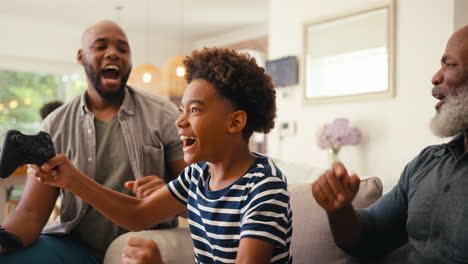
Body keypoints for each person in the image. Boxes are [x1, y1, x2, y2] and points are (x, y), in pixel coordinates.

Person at [34, 47, 292, 264]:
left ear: (235, 122)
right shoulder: (198, 175)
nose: (179, 122)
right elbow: (139, 213)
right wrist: (72, 180)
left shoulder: (263, 186)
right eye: (181, 110)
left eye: (195, 110)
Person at [0, 20, 187, 263]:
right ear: (81, 56)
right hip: (75, 246)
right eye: (100, 47)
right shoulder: (55, 125)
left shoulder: (165, 115)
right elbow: (31, 213)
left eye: (123, 49)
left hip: (144, 239)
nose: (113, 53)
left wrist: (168, 194)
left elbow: (201, 199)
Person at [311, 25, 468, 263]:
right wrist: (339, 210)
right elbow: (368, 237)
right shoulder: (426, 163)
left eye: (451, 65)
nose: (436, 77)